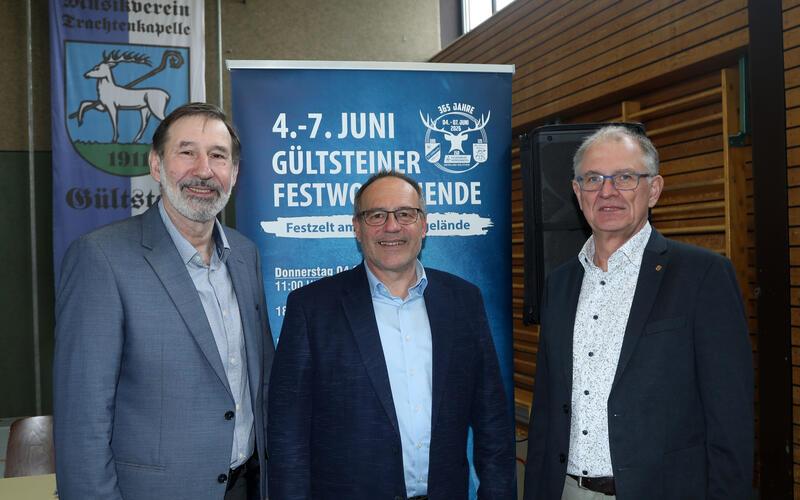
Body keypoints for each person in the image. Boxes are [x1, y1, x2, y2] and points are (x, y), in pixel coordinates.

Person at [53, 102, 273, 500]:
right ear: (156, 165)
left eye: (218, 156)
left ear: (234, 174)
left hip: (247, 487)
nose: (204, 170)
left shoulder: (245, 254)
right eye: (187, 152)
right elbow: (82, 419)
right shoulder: (101, 258)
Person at [523, 125, 753, 499]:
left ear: (654, 190)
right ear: (577, 193)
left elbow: (731, 416)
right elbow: (547, 409)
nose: (607, 191)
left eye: (625, 177)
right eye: (593, 179)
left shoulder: (702, 275)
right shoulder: (560, 283)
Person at [267, 171, 515, 499]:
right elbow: (287, 437)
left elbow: (493, 423)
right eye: (376, 215)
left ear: (424, 225)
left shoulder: (464, 301)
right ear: (356, 228)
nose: (392, 226)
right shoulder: (311, 308)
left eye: (405, 214)